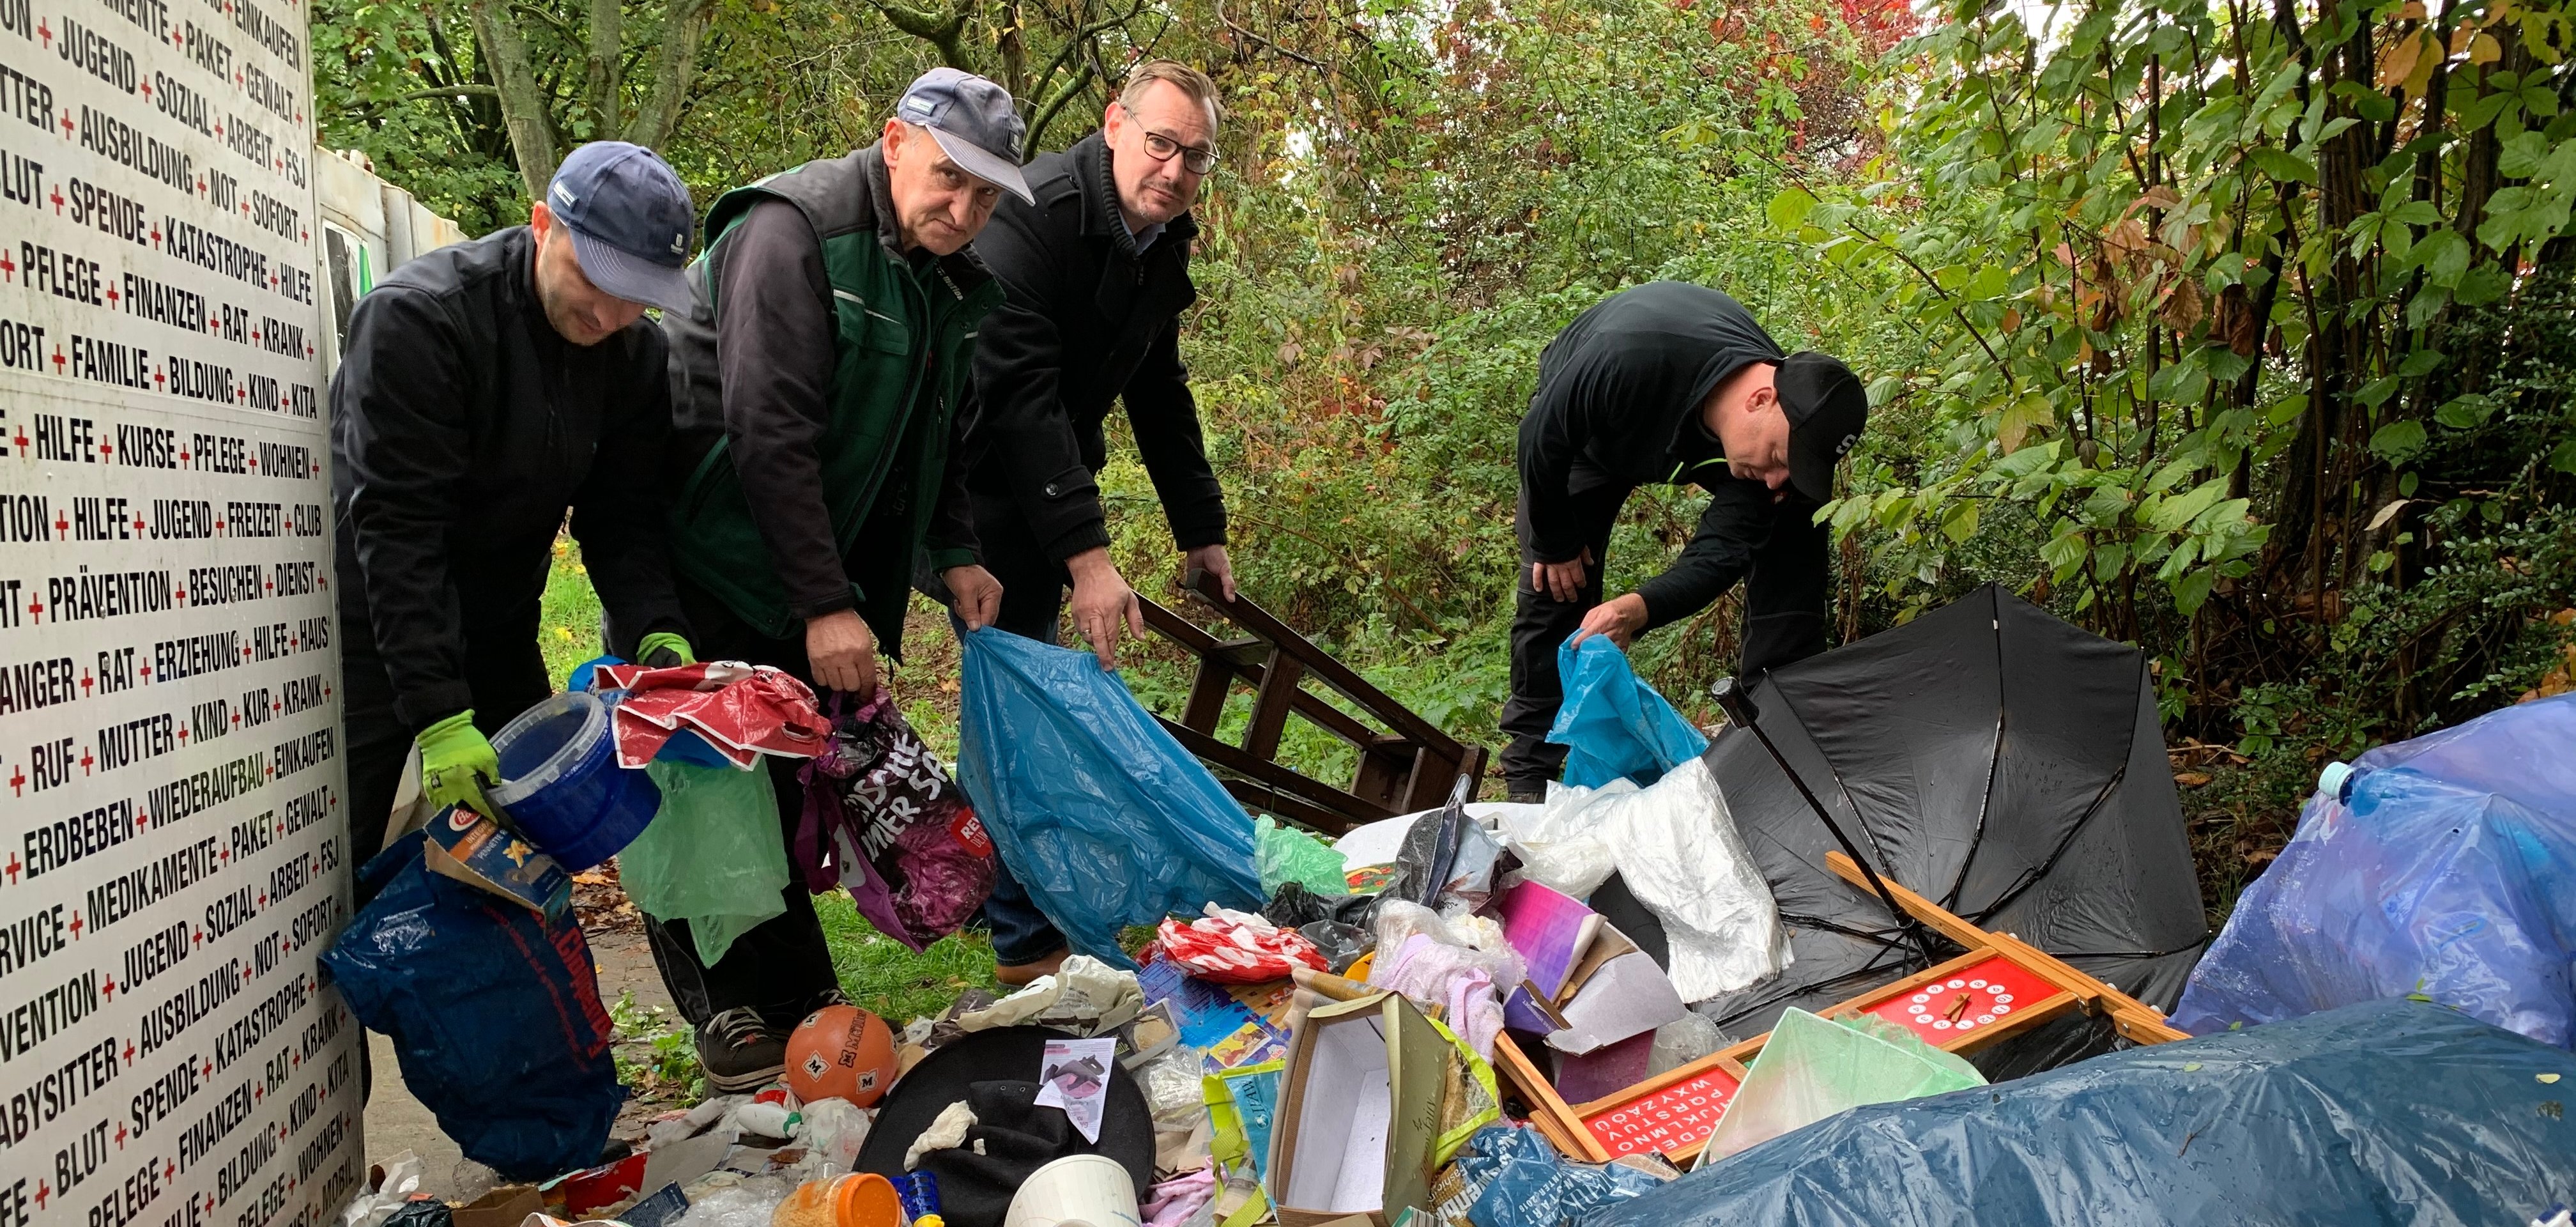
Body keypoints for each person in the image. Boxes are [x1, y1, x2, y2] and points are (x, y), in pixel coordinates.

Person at [654, 67, 1030, 1089]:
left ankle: (795, 1002)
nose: (965, 209)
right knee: (705, 789)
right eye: (950, 178)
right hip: (705, 555)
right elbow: (767, 434)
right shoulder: (795, 233)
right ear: (895, 141)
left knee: (780, 787)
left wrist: (952, 549)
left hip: (802, 556)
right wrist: (828, 606)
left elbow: (938, 432)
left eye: (989, 195)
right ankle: (727, 1010)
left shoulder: (948, 276)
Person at [333, 141, 700, 870]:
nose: (611, 312)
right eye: (596, 278)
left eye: (639, 293)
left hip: (500, 625)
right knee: (346, 861)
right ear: (543, 224)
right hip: (373, 630)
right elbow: (399, 528)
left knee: (524, 852)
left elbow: (621, 514)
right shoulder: (422, 321)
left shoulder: (635, 357)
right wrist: (438, 714)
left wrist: (658, 629)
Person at [960, 59, 1232, 985]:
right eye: (1161, 143)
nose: (1174, 169)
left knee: (1028, 687)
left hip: (1042, 473)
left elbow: (1158, 388)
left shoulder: (1162, 239)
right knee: (1018, 694)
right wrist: (1088, 559)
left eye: (1195, 157)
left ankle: (1011, 900)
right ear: (1115, 125)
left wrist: (1203, 525)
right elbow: (1019, 401)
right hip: (967, 482)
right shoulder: (1032, 216)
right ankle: (1017, 938)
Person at [1502, 281, 1869, 801]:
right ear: (1760, 399)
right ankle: (1529, 776)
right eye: (1781, 458)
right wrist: (1555, 541)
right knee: (1555, 577)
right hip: (1594, 439)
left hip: (1697, 435)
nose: (1774, 479)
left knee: (1795, 517)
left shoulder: (1768, 442)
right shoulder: (1628, 356)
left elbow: (1721, 553)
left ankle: (1782, 737)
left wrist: (1639, 607)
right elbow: (1542, 437)